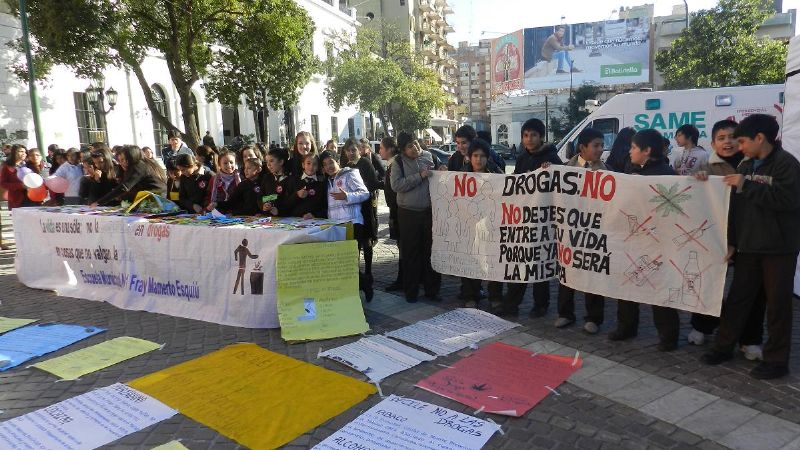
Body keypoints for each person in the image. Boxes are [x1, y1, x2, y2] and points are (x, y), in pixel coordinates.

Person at [701, 114, 800, 379]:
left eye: (743, 141)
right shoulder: (746, 165)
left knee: (778, 306)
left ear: (760, 138)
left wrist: (747, 185)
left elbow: (788, 199)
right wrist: (732, 240)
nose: (739, 146)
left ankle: (777, 361)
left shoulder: (786, 165)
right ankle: (723, 347)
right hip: (748, 247)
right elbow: (735, 207)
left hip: (779, 249)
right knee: (738, 300)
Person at [688, 120, 765, 355]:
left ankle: (750, 339)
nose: (727, 142)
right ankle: (703, 326)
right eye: (721, 138)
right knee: (708, 284)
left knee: (752, 292)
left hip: (749, 237)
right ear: (712, 143)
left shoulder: (754, 165)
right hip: (716, 237)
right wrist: (698, 180)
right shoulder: (707, 167)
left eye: (733, 137)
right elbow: (694, 198)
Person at [608, 129, 680, 351]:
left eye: (633, 148)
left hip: (658, 242)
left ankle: (668, 336)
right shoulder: (630, 170)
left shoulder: (666, 174)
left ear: (647, 151)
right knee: (627, 284)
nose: (629, 152)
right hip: (633, 238)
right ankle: (626, 326)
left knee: (660, 288)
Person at [501, 118, 562, 318]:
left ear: (541, 137)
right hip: (523, 220)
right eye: (526, 135)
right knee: (520, 261)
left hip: (543, 221)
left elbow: (560, 187)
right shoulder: (521, 158)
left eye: (533, 135)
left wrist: (550, 172)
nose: (529, 139)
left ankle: (541, 304)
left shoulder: (552, 159)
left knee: (539, 263)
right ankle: (512, 303)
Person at [554, 128, 607, 334]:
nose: (600, 150)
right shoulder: (565, 169)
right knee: (567, 272)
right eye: (596, 145)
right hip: (569, 231)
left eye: (602, 145)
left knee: (592, 274)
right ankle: (565, 314)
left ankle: (594, 318)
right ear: (582, 147)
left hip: (593, 231)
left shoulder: (606, 171)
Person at [390, 132, 442, 303]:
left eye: (415, 144)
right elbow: (396, 185)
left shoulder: (429, 156)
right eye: (409, 147)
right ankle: (411, 291)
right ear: (403, 150)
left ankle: (432, 290)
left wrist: (441, 169)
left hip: (429, 212)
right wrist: (419, 176)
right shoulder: (398, 162)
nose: (414, 148)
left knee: (430, 252)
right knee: (411, 253)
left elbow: (441, 173)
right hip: (408, 213)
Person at [320, 150, 373, 301]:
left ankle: (364, 285)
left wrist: (347, 196)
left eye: (331, 162)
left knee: (349, 261)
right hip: (336, 225)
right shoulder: (328, 180)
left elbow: (365, 193)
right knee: (341, 261)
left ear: (338, 161)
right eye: (325, 164)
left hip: (353, 223)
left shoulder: (350, 174)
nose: (328, 166)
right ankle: (356, 288)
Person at [463, 138, 504, 309]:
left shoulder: (497, 174)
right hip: (470, 226)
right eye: (475, 155)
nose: (478, 159)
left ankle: (495, 296)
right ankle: (471, 295)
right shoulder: (460, 176)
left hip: (492, 225)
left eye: (482, 156)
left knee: (494, 260)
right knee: (471, 260)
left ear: (488, 157)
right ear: (469, 157)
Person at [94, 145, 167, 206]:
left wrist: (98, 202)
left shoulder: (139, 166)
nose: (122, 163)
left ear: (130, 157)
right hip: (153, 198)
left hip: (155, 200)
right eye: (120, 160)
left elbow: (124, 187)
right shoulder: (145, 163)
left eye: (123, 159)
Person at [379, 136, 403, 291]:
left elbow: (395, 190)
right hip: (396, 210)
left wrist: (394, 215)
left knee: (404, 247)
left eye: (381, 148)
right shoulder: (391, 164)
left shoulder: (395, 164)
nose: (379, 151)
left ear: (389, 149)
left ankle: (404, 279)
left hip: (400, 211)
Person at [286, 154, 327, 219]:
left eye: (314, 164)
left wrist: (315, 215)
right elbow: (286, 204)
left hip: (315, 222)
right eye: (308, 163)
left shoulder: (322, 183)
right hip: (294, 221)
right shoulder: (293, 180)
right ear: (303, 165)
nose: (311, 167)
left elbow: (325, 206)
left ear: (318, 167)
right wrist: (297, 195)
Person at [259, 147, 291, 216]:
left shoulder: (290, 179)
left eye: (271, 161)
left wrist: (279, 210)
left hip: (286, 218)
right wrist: (264, 205)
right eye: (267, 162)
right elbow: (261, 196)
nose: (268, 165)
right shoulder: (266, 178)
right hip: (268, 218)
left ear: (281, 162)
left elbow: (290, 201)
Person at [0, 145, 29, 212]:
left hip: (32, 197)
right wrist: (20, 185)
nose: (24, 154)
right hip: (16, 198)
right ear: (14, 153)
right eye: (21, 151)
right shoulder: (6, 167)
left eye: (25, 152)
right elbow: (3, 183)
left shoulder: (28, 165)